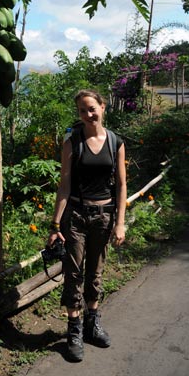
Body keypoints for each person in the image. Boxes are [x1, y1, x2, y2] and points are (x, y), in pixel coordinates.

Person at [46, 89, 127, 362]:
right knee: (73, 273)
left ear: (103, 107)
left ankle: (93, 323)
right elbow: (64, 185)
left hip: (104, 217)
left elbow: (123, 186)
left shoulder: (115, 142)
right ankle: (74, 330)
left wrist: (120, 223)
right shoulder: (73, 141)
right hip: (77, 217)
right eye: (82, 110)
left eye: (92, 108)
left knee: (95, 272)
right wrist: (55, 224)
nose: (88, 114)